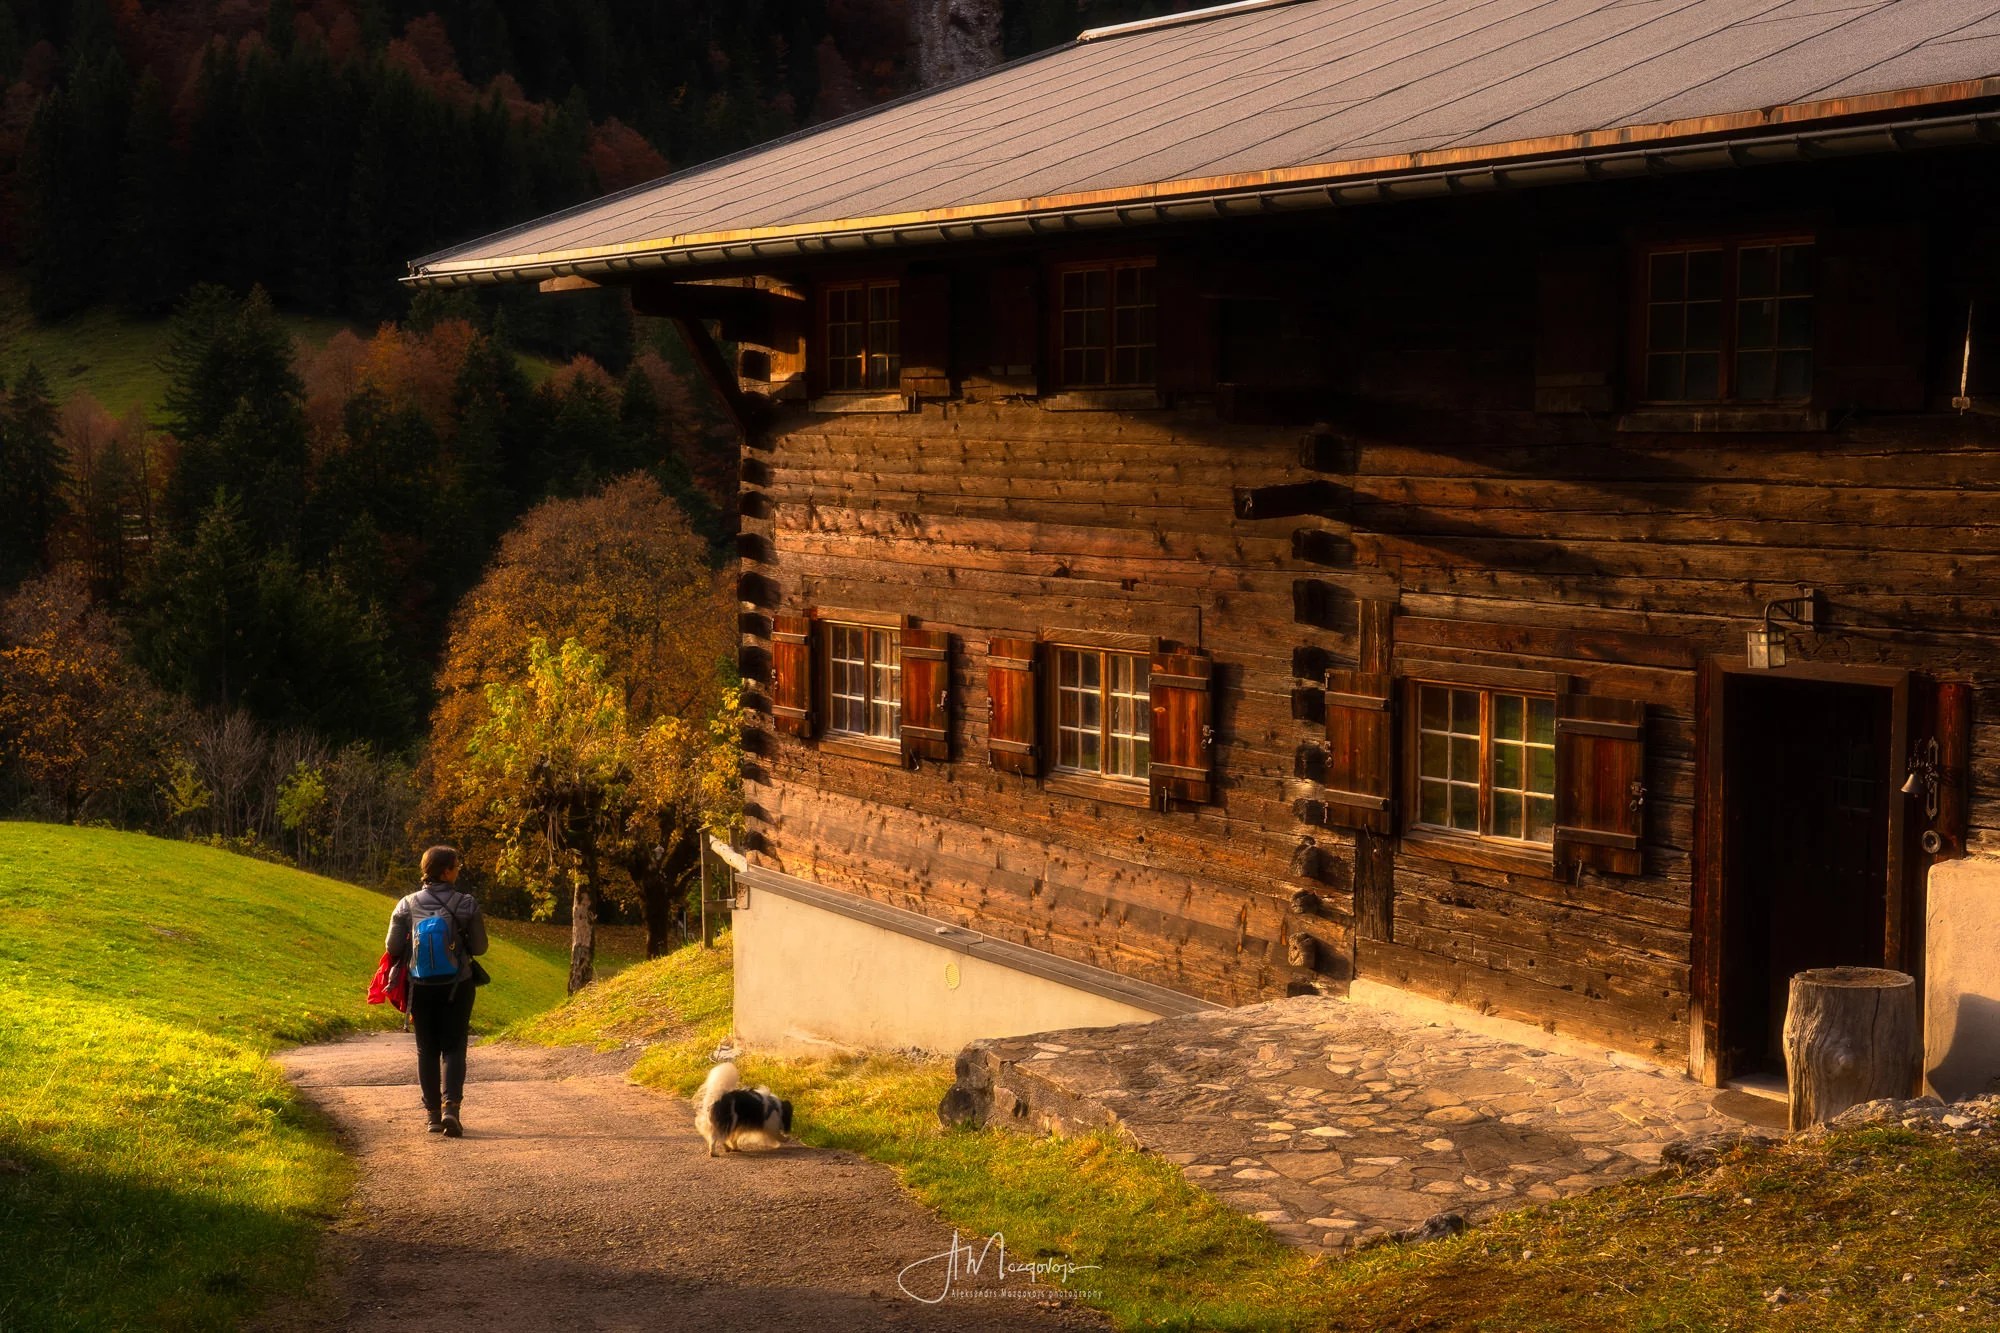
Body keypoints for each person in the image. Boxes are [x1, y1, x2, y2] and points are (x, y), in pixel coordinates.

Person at [386, 846, 489, 1136]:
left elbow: (392, 947)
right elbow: (480, 948)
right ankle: (450, 1109)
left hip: (420, 986)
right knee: (455, 1047)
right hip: (458, 984)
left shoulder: (406, 904)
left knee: (426, 1049)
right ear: (445, 871)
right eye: (457, 866)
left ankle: (432, 1115)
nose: (458, 870)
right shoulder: (466, 903)